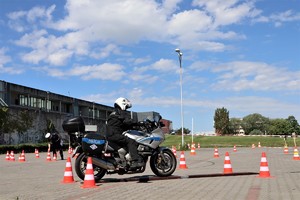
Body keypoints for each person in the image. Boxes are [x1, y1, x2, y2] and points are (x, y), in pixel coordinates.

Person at [106, 97, 143, 168]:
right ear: (122, 104)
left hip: (111, 135)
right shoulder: (120, 113)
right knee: (131, 141)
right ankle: (136, 161)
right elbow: (128, 121)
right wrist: (140, 123)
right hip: (115, 135)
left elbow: (123, 125)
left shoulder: (114, 113)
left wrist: (134, 127)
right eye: (126, 106)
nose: (126, 109)